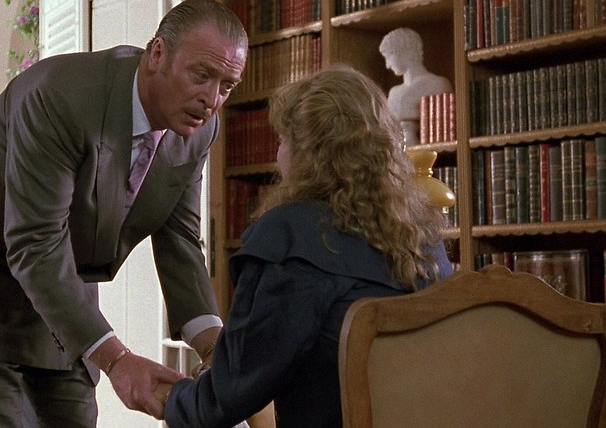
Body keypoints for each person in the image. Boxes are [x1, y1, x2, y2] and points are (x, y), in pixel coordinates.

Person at [0, 0, 247, 426]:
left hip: (60, 275)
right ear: (157, 53)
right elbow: (34, 243)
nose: (211, 99)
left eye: (227, 86)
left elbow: (180, 242)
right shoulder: (57, 96)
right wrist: (118, 360)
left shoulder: (199, 130)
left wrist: (216, 351)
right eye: (202, 75)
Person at [160, 64, 453, 427]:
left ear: (307, 153)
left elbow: (235, 390)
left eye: (282, 140)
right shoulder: (423, 235)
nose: (278, 153)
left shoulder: (289, 237)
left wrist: (169, 398)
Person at [379, 27, 453, 146]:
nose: (388, 65)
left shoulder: (438, 84)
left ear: (406, 52)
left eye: (389, 56)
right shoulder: (394, 92)